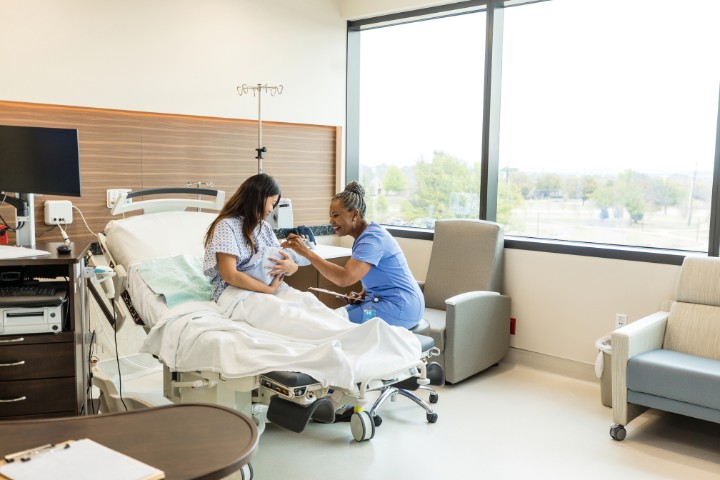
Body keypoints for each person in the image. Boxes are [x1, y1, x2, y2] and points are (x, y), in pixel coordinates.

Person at [283, 181, 424, 329]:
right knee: (330, 317)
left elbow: (344, 278)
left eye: (335, 215)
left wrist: (306, 252)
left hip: (401, 307)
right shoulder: (366, 235)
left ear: (355, 214)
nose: (331, 221)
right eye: (330, 216)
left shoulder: (372, 239)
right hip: (392, 302)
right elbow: (384, 278)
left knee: (328, 325)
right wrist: (363, 294)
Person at [203, 173, 299, 301]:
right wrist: (268, 290)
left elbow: (278, 259)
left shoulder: (264, 227)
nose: (271, 210)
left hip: (267, 287)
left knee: (303, 303)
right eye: (272, 203)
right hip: (234, 289)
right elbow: (230, 275)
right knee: (279, 312)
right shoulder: (226, 225)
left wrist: (292, 268)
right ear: (258, 198)